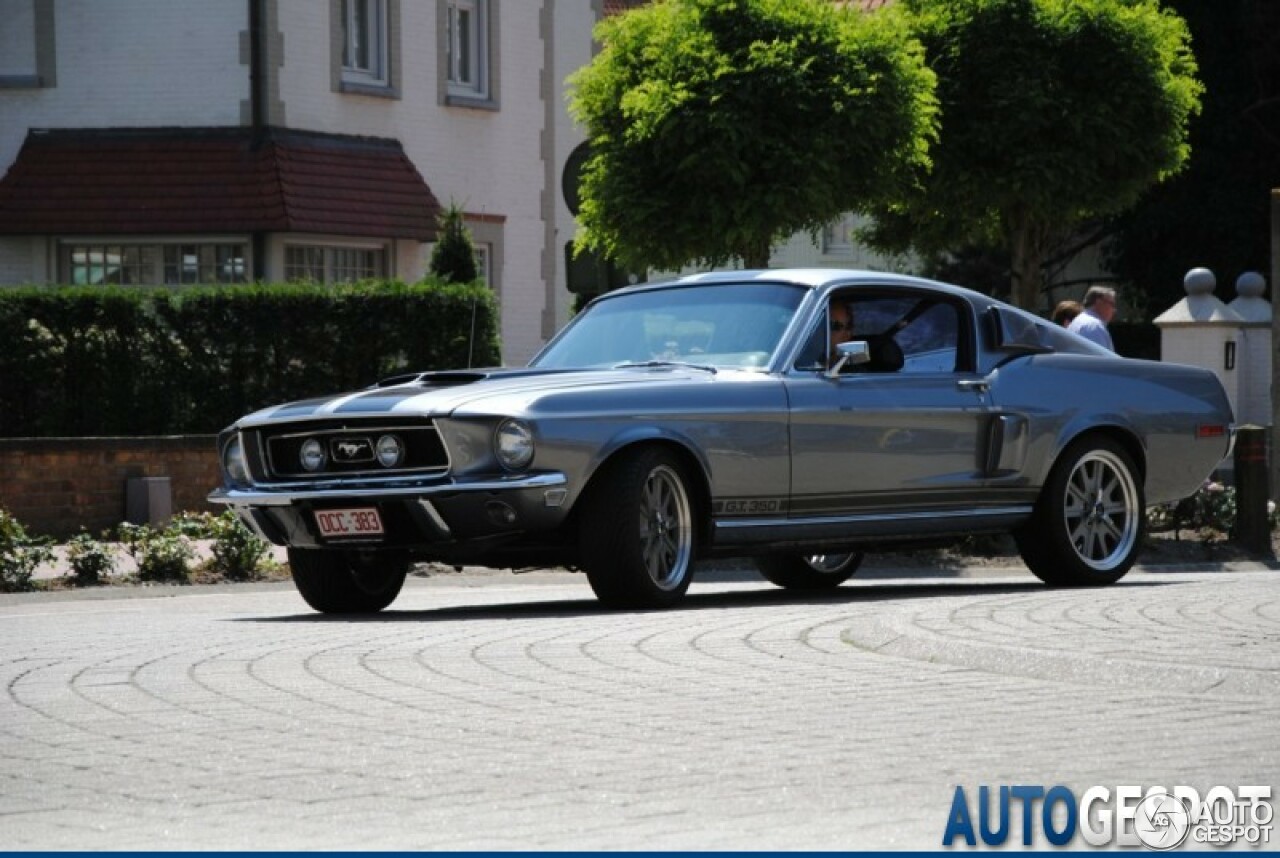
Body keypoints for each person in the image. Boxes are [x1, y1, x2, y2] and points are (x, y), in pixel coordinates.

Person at [1067, 286, 1117, 351]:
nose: (1114, 310)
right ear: (1099, 302)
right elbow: (1100, 360)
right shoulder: (1094, 327)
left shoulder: (1076, 322)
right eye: (1112, 304)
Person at [828, 299, 854, 367]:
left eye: (834, 326)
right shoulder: (799, 359)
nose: (827, 330)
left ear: (847, 334)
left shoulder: (854, 374)